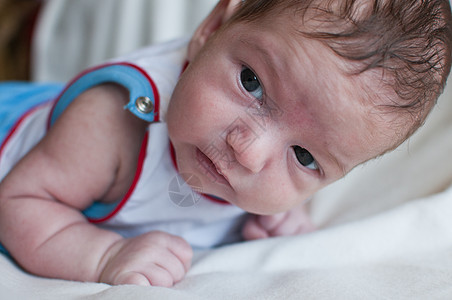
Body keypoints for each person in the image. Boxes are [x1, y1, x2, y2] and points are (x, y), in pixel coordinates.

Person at [0, 0, 450, 288]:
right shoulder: (115, 124)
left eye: (305, 157)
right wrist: (103, 255)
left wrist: (279, 219)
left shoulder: (252, 172)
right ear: (212, 26)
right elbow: (18, 201)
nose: (248, 151)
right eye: (251, 83)